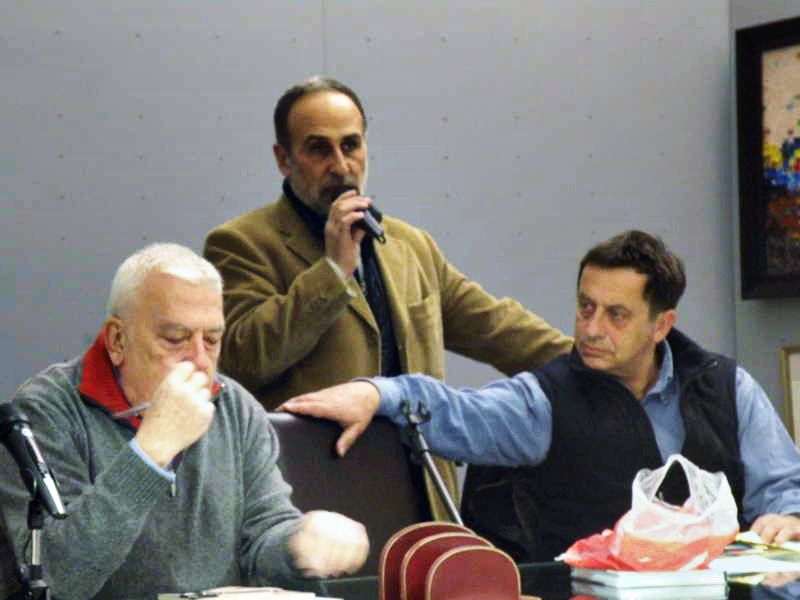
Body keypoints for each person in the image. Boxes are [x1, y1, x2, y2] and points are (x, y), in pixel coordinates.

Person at [280, 230, 800, 561]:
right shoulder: (544, 399)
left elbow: (782, 487)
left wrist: (788, 517)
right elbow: (458, 411)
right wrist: (377, 392)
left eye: (616, 315)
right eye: (585, 307)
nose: (591, 328)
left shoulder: (726, 385)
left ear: (662, 325)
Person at [203, 76, 572, 523]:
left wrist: (596, 369)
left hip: (422, 492)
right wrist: (333, 271)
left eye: (351, 145)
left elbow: (496, 327)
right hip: (318, 496)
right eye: (318, 149)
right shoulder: (243, 243)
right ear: (284, 158)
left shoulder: (409, 245)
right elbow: (245, 358)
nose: (340, 165)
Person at [0, 243, 368, 600]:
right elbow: (57, 578)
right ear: (118, 340)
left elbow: (262, 535)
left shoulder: (235, 407)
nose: (200, 361)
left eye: (212, 340)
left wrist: (297, 545)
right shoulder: (45, 412)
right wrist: (150, 452)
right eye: (176, 339)